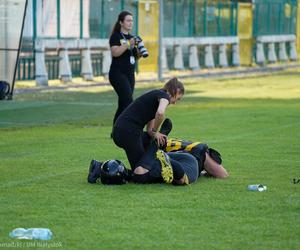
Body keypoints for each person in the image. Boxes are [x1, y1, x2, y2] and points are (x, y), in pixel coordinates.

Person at [112, 78, 185, 174]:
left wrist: (157, 134)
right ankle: (100, 169)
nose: (175, 102)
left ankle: (155, 161)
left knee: (148, 142)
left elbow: (149, 130)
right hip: (128, 133)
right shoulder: (164, 96)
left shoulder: (156, 96)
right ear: (176, 91)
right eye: (177, 98)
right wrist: (155, 130)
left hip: (121, 131)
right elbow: (160, 113)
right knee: (141, 173)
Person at [109, 11, 140, 126]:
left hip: (130, 74)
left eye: (132, 20)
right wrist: (128, 44)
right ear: (121, 22)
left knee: (123, 103)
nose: (130, 23)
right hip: (117, 74)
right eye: (128, 20)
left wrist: (139, 51)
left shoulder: (132, 38)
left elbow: (135, 57)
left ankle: (115, 130)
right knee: (128, 100)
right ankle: (130, 127)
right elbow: (115, 52)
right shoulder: (116, 36)